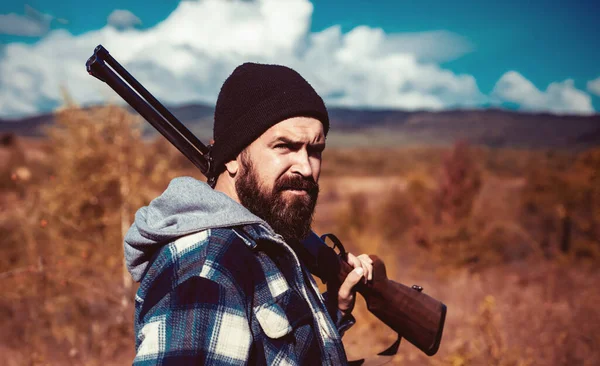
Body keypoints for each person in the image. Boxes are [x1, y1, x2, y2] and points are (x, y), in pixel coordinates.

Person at [124, 62, 373, 365]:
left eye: (315, 150)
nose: (306, 168)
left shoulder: (262, 244)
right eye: (284, 146)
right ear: (232, 157)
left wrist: (335, 309)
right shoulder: (208, 265)